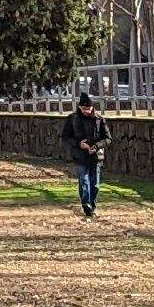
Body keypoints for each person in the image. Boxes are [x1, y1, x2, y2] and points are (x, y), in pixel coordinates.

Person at [60, 89, 107, 218]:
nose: (87, 111)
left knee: (95, 184)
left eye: (89, 108)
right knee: (84, 181)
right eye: (84, 108)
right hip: (80, 156)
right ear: (80, 107)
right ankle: (87, 207)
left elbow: (108, 138)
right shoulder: (72, 119)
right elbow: (65, 137)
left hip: (95, 156)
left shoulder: (99, 119)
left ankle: (93, 204)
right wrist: (78, 144)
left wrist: (97, 146)